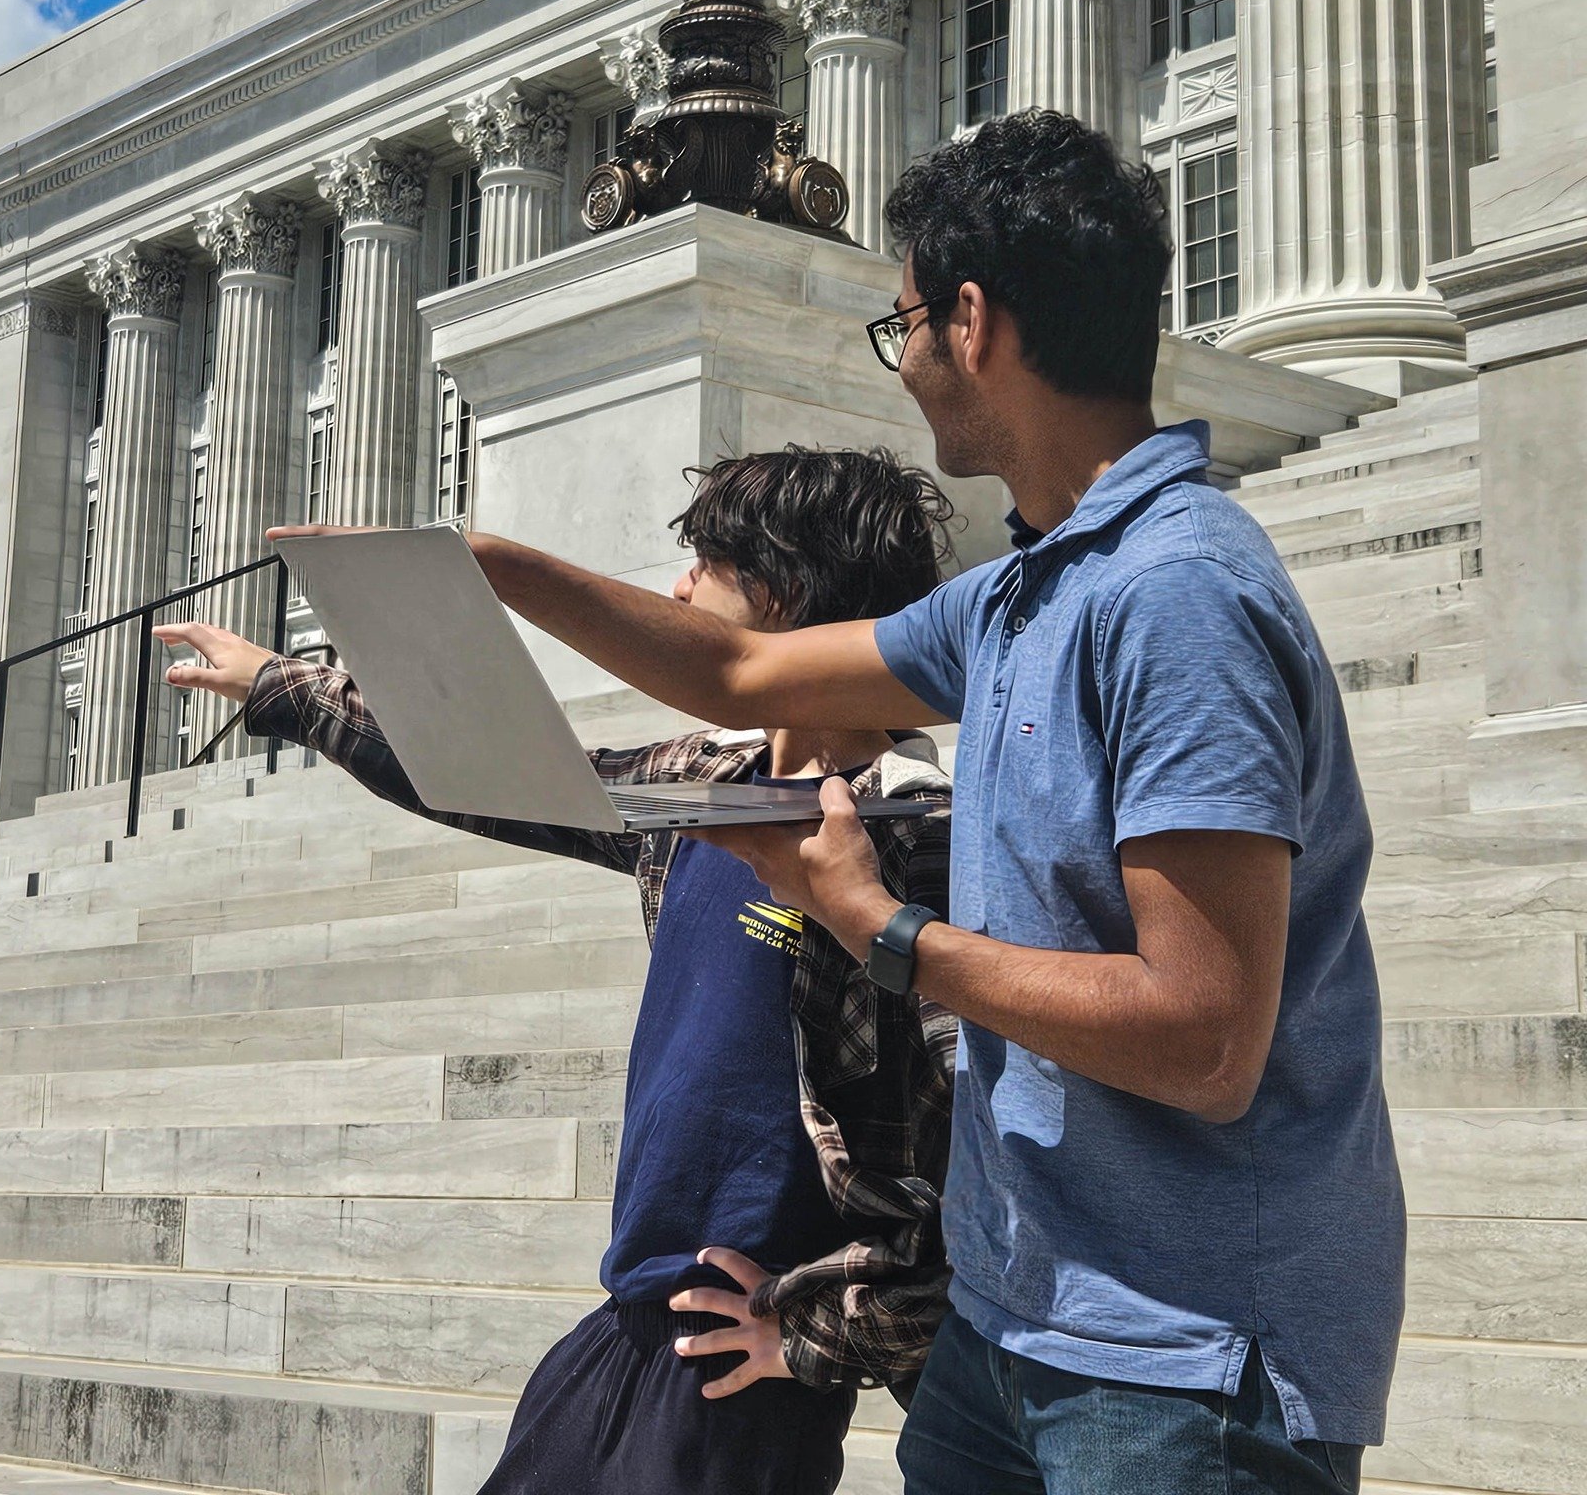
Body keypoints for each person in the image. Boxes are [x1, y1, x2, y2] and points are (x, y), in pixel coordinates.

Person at [332, 111, 1403, 1495]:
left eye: (897, 326)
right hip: (1014, 1336)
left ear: (971, 323)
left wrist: (878, 928)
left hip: (1182, 1358)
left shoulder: (1175, 599)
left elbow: (1203, 1040)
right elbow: (737, 666)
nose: (897, 366)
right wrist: (493, 564)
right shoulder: (1027, 593)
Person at [158, 447, 960, 1495]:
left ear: (782, 594)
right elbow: (496, 779)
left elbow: (972, 1158)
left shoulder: (911, 830)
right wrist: (284, 684)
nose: (674, 590)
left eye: (702, 566)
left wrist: (815, 1333)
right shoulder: (704, 783)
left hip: (735, 1364)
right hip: (628, 1321)